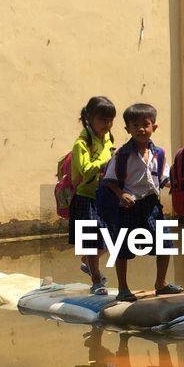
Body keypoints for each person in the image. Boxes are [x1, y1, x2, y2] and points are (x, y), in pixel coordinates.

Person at [99, 102, 182, 301]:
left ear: (154, 127)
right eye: (135, 125)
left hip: (152, 205)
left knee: (165, 244)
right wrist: (121, 195)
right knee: (123, 248)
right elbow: (109, 181)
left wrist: (175, 185)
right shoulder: (121, 155)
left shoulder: (158, 153)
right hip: (129, 207)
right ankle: (123, 288)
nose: (141, 129)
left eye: (145, 124)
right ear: (127, 129)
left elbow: (164, 177)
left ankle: (161, 283)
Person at [68, 96, 117, 295]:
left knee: (115, 237)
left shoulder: (108, 138)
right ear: (90, 118)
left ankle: (87, 261)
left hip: (105, 197)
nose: (107, 124)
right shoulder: (81, 144)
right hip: (85, 198)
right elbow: (86, 171)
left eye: (110, 120)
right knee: (91, 241)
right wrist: (106, 162)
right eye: (103, 119)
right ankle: (96, 280)